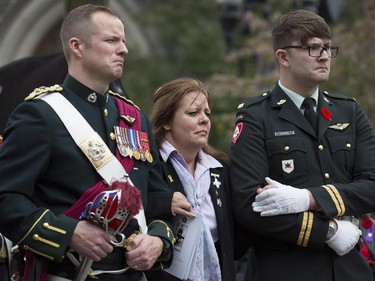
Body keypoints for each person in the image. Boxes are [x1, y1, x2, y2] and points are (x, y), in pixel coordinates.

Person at [0, 4, 174, 281]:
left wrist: (157, 241)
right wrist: (69, 233)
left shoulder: (134, 119)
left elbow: (159, 200)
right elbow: (6, 199)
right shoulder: (39, 114)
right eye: (111, 40)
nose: (124, 49)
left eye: (124, 41)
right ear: (77, 46)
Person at [229, 9, 375, 281]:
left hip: (348, 269)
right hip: (286, 268)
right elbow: (250, 205)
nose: (323, 56)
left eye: (328, 48)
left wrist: (310, 198)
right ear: (283, 57)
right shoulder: (255, 116)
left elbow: (372, 185)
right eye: (311, 48)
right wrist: (328, 231)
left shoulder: (349, 112)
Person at [146, 77, 240, 281]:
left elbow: (236, 241)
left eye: (207, 113)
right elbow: (130, 208)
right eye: (193, 113)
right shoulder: (148, 164)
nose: (205, 119)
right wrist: (164, 203)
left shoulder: (220, 169)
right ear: (166, 122)